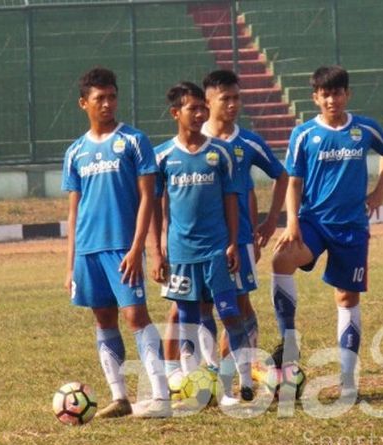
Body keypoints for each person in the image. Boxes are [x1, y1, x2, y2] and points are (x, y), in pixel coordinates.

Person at [161, 70, 288, 406]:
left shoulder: (245, 142)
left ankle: (242, 371)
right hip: (189, 244)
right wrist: (161, 241)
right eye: (224, 99)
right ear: (207, 101)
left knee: (237, 305)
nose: (232, 105)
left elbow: (279, 174)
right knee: (186, 308)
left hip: (236, 239)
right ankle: (190, 373)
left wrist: (271, 220)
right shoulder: (188, 140)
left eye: (237, 98)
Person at [270, 65, 383, 398]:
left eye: (338, 92)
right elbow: (293, 181)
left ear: (347, 94)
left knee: (346, 297)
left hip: (352, 227)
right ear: (315, 97)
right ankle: (290, 345)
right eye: (325, 94)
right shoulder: (304, 134)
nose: (332, 99)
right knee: (280, 260)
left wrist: (380, 191)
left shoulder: (365, 129)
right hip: (312, 222)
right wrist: (292, 221)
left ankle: (348, 380)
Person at [62, 67, 169, 418]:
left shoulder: (134, 141)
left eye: (112, 97)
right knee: (104, 318)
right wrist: (70, 263)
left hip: (123, 247)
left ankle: (161, 396)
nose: (107, 104)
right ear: (84, 103)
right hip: (88, 250)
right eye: (99, 98)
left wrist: (139, 248)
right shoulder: (75, 151)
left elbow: (147, 199)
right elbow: (74, 210)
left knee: (136, 315)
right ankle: (120, 397)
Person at [151, 81, 254, 403]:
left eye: (202, 108)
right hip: (182, 254)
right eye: (191, 108)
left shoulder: (219, 153)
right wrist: (156, 251)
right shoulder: (163, 156)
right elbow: (154, 206)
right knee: (188, 321)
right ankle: (199, 388)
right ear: (175, 113)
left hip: (216, 251)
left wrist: (234, 243)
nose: (199, 113)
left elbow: (231, 201)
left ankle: (238, 384)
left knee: (230, 314)